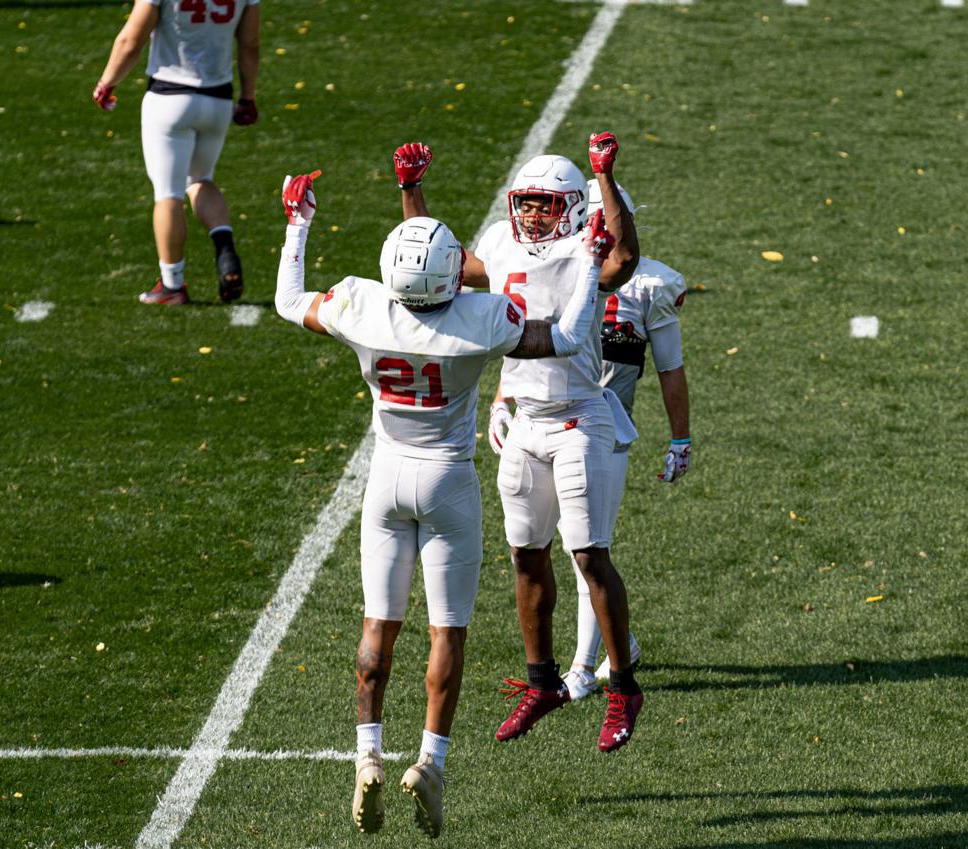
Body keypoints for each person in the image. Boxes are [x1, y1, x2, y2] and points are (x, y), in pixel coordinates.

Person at [273, 169, 613, 836]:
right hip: (449, 481)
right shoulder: (480, 319)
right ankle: (430, 761)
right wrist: (592, 268)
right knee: (445, 629)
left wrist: (298, 221)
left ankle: (368, 750)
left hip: (387, 479)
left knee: (379, 625)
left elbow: (289, 299)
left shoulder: (363, 307)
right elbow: (568, 338)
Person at [395, 135, 646, 752]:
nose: (533, 215)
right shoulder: (504, 243)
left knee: (588, 554)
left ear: (572, 206)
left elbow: (625, 260)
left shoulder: (585, 249)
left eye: (544, 204)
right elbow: (435, 266)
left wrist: (604, 176)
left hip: (579, 416)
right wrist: (411, 190)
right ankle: (543, 682)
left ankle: (623, 687)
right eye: (526, 203)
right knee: (525, 555)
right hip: (523, 420)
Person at [489, 179, 691, 701]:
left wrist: (680, 438)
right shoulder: (550, 265)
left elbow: (671, 367)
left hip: (606, 425)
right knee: (542, 549)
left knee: (588, 552)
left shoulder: (650, 283)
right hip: (541, 421)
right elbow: (521, 339)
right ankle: (619, 640)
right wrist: (502, 398)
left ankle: (581, 667)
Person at [92, 0, 260, 305]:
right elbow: (249, 43)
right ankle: (225, 249)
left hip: (169, 97)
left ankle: (171, 285)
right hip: (218, 99)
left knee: (168, 193)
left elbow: (132, 38)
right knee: (200, 180)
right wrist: (248, 96)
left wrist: (107, 82)